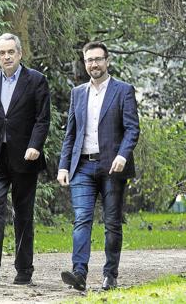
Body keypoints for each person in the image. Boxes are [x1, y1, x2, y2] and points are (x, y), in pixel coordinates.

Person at [57, 41, 140, 291]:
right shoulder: (77, 93)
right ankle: (79, 273)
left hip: (112, 168)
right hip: (81, 166)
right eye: (89, 60)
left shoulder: (123, 90)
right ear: (85, 63)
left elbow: (132, 128)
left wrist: (123, 155)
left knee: (112, 222)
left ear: (107, 60)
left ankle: (110, 274)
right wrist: (63, 166)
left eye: (98, 59)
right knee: (82, 218)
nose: (94, 64)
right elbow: (71, 134)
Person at [0, 33, 51, 285]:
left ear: (19, 54)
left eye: (10, 52)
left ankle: (24, 268)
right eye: (2, 53)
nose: (6, 57)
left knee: (23, 213)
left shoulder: (36, 80)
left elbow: (42, 118)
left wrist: (35, 145)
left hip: (25, 157)